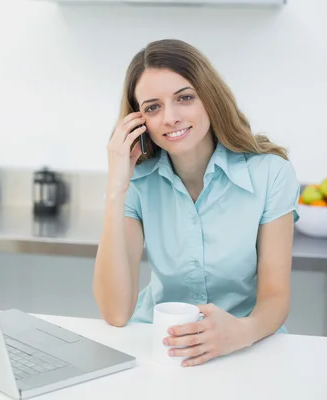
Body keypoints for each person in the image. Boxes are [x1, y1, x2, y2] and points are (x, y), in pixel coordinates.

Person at [93, 39, 300, 367]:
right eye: (152, 107)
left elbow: (275, 296)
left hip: (249, 347)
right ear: (138, 120)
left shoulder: (270, 173)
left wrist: (241, 333)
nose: (170, 118)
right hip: (161, 349)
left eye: (184, 98)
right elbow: (116, 313)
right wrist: (116, 188)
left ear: (209, 98)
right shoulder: (136, 181)